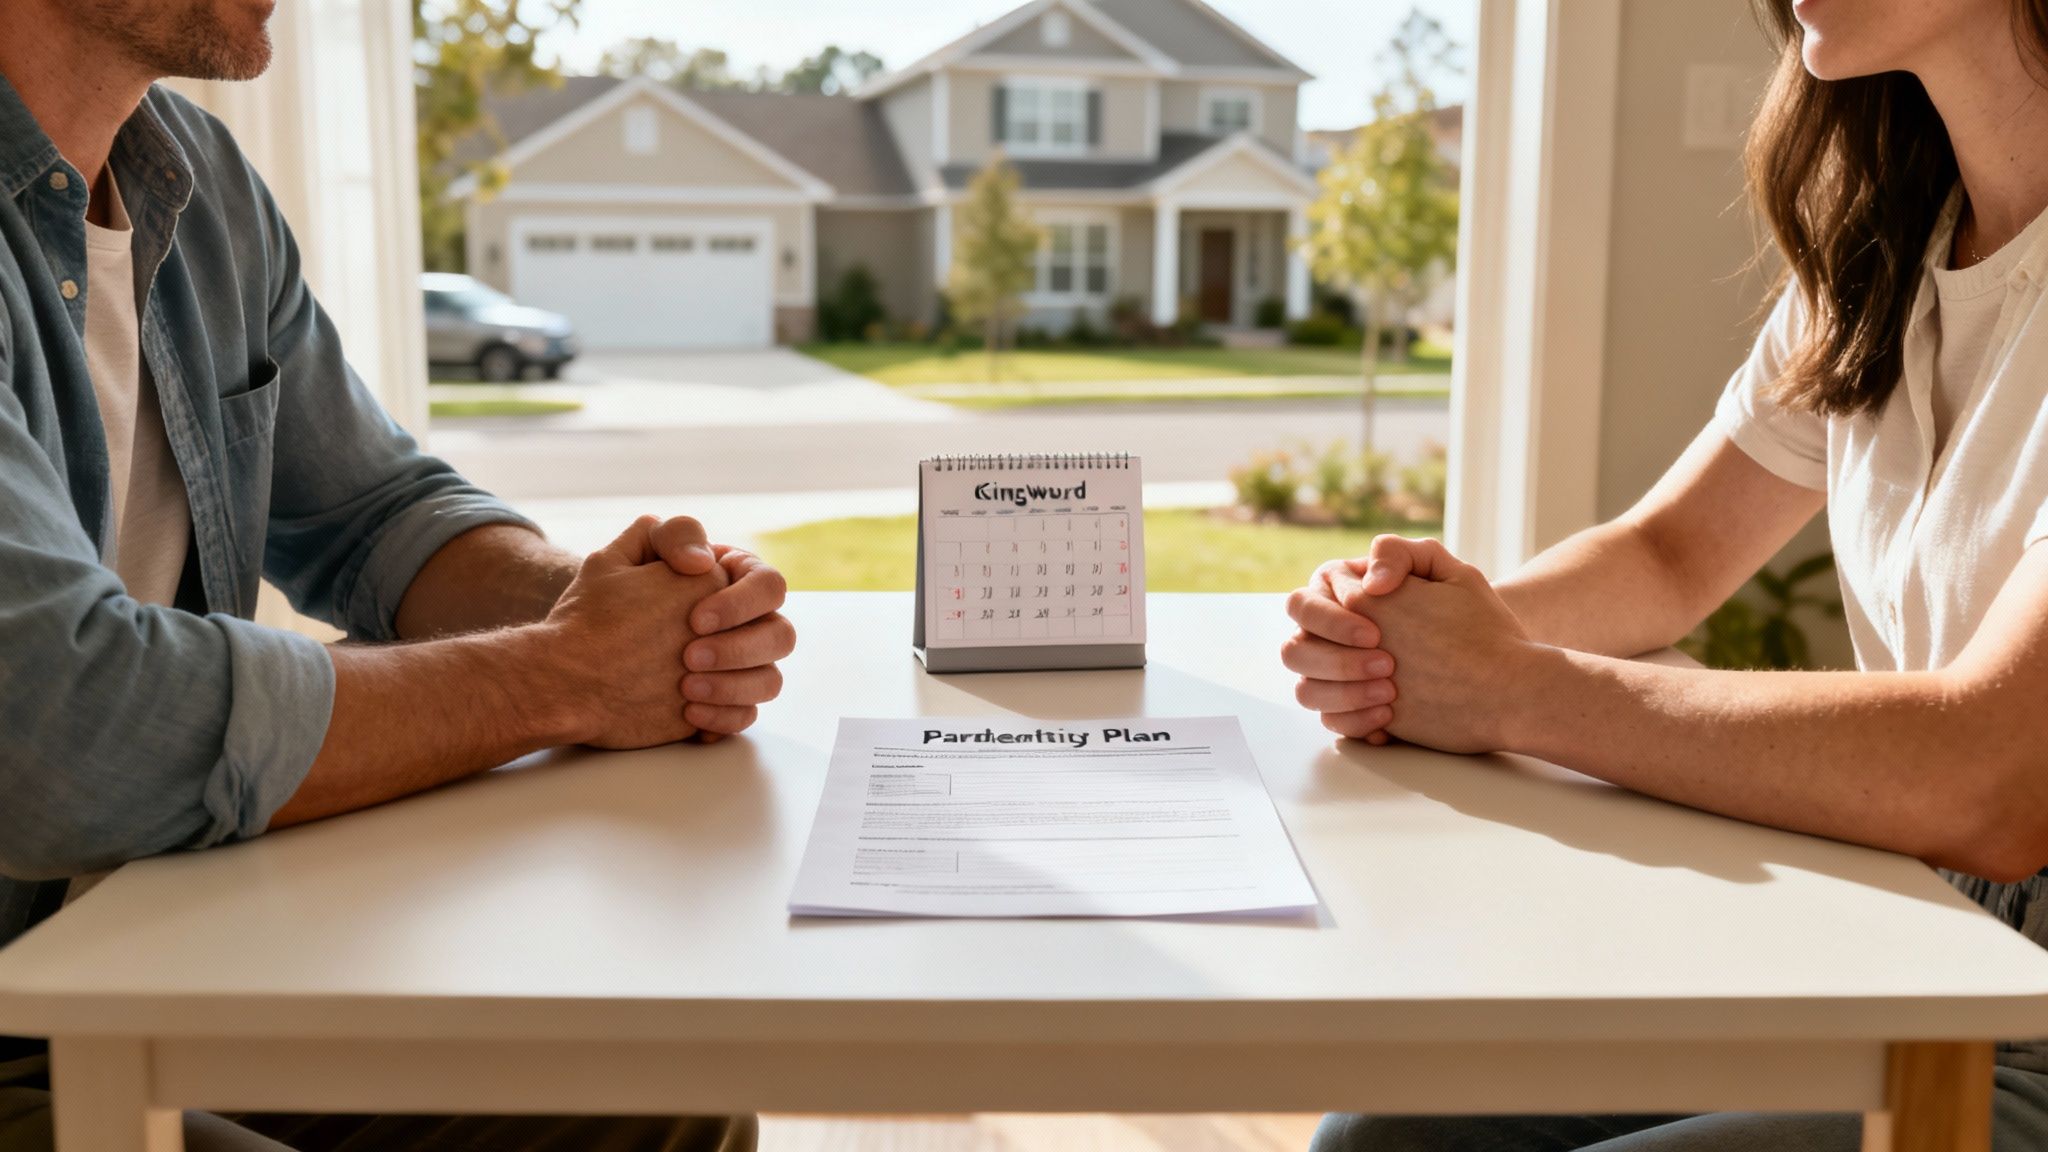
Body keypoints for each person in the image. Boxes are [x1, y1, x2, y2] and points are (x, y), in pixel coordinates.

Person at [0, 0, 791, 1148]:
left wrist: (619, 611)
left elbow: (376, 513)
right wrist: (565, 676)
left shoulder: (197, 180)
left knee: (652, 1106)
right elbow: (66, 728)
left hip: (144, 952)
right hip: (38, 1008)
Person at [1285, 0, 2048, 1148]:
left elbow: (1986, 778)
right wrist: (1407, 640)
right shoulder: (1888, 241)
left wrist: (1504, 686)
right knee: (1387, 1136)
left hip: (2016, 1003)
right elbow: (1668, 553)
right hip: (1925, 929)